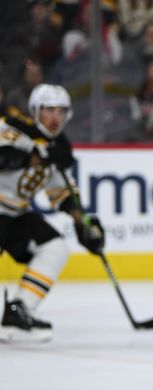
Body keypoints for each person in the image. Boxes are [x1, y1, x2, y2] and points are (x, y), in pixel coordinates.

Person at [0, 84, 105, 343]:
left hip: (16, 214)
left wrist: (83, 223)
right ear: (35, 110)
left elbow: (60, 190)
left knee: (55, 247)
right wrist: (40, 155)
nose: (55, 117)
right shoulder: (12, 127)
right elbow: (5, 158)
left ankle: (19, 310)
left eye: (61, 111)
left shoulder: (60, 147)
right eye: (49, 110)